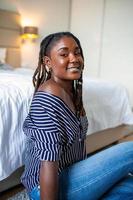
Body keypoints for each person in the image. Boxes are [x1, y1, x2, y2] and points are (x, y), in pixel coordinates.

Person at [21, 31, 133, 200]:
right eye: (64, 54)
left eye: (77, 52)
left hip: (74, 176)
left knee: (130, 186)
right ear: (48, 62)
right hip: (46, 189)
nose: (74, 58)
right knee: (130, 150)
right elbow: (48, 164)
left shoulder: (72, 92)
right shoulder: (46, 99)